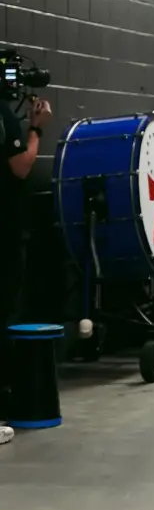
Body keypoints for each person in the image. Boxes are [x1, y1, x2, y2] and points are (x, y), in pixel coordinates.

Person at [0, 95, 52, 413]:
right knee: (5, 308)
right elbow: (21, 165)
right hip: (4, 229)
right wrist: (35, 129)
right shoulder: (3, 114)